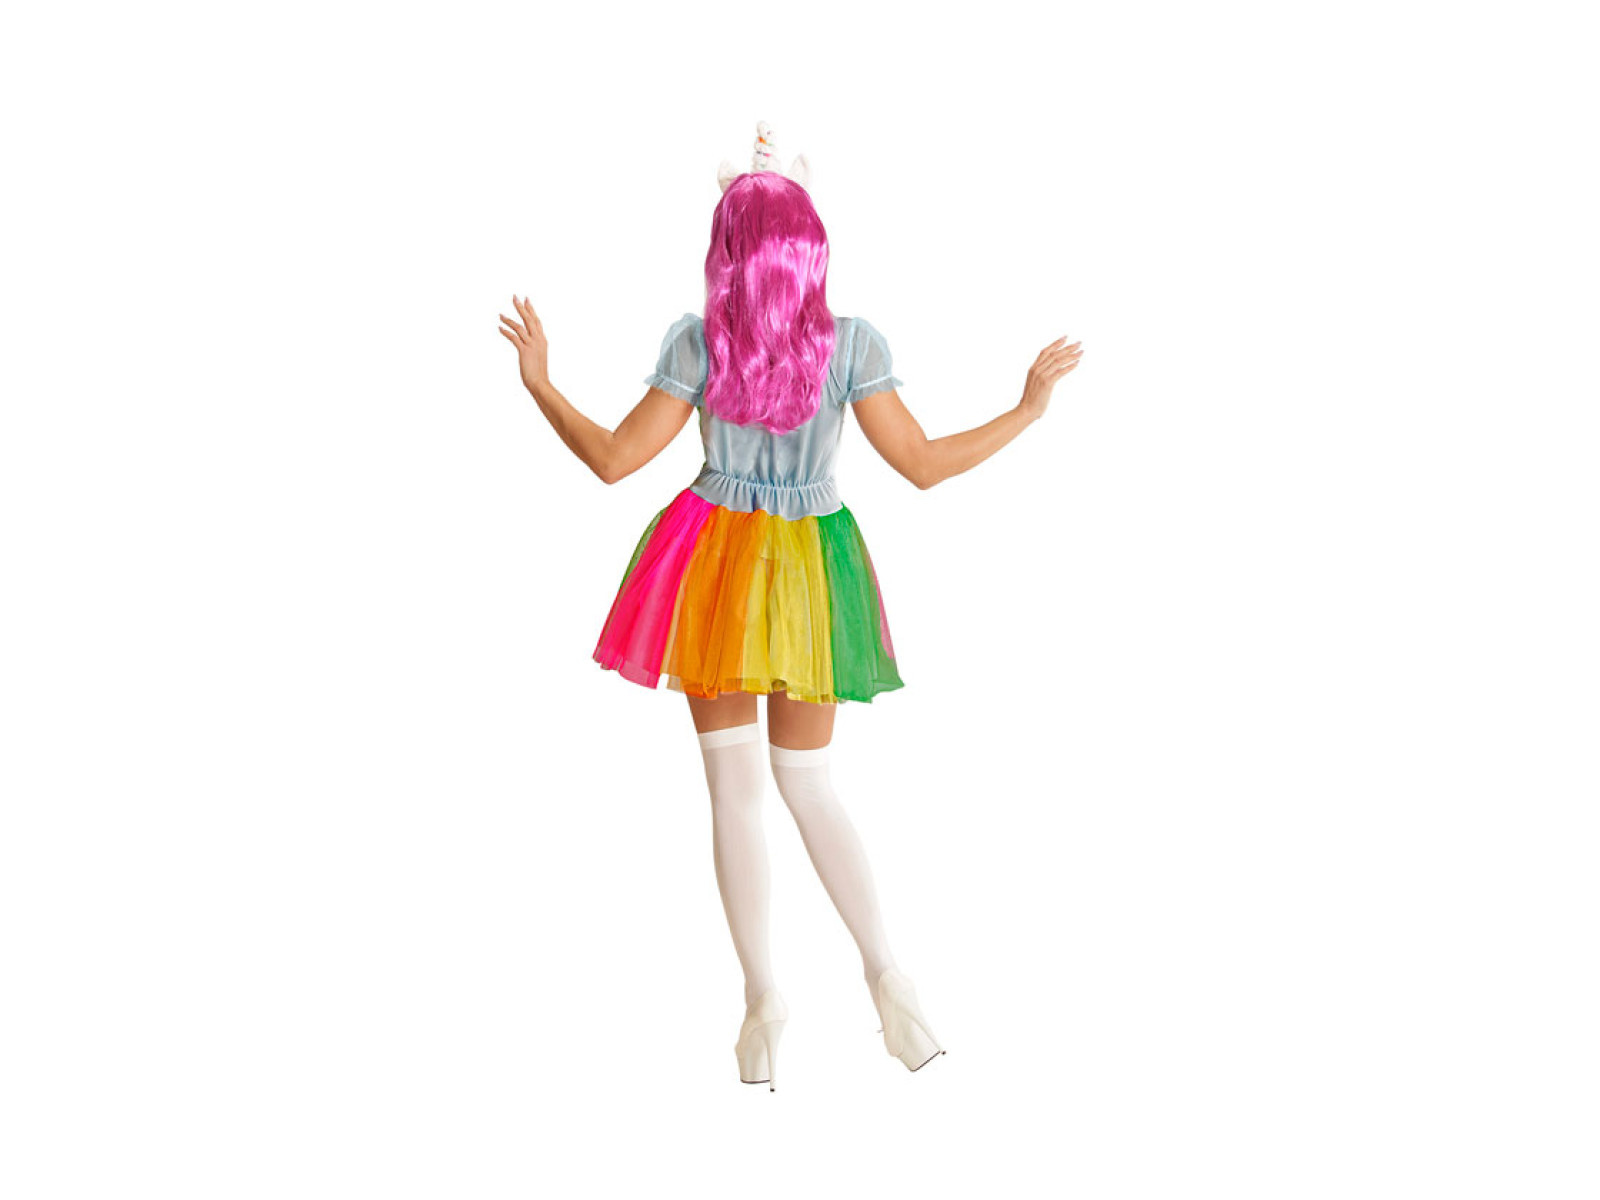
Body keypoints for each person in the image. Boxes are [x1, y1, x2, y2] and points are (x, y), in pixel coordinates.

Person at [498, 123, 1083, 1091]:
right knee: (807, 782)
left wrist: (540, 384)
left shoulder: (699, 342)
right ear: (812, 245)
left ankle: (763, 1000)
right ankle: (890, 979)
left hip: (713, 563)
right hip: (812, 569)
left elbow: (612, 460)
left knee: (732, 789)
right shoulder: (852, 344)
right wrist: (1025, 409)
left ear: (724, 248)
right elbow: (922, 466)